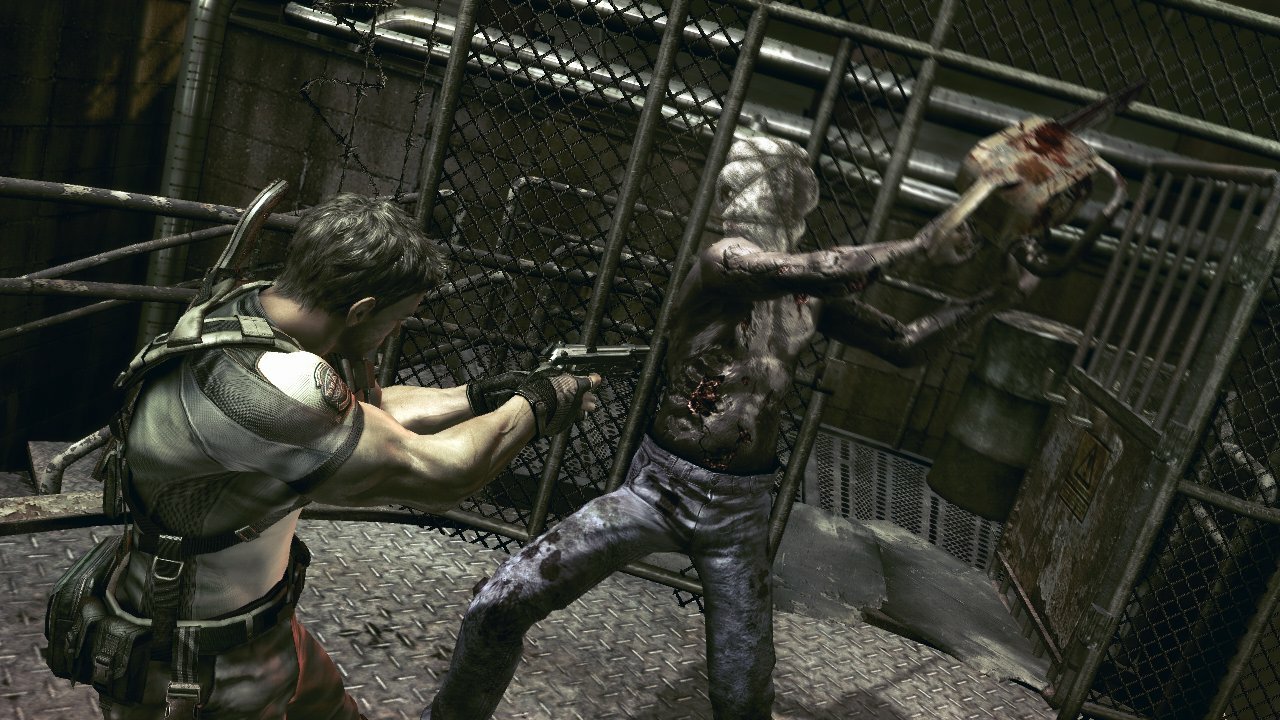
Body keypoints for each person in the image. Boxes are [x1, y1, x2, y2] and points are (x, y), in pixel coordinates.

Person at [421, 134, 1039, 720]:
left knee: (742, 694)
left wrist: (998, 297)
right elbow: (822, 269)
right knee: (500, 603)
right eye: (736, 184)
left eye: (761, 187)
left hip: (740, 511)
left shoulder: (809, 296)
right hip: (658, 489)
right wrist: (916, 246)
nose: (741, 198)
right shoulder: (724, 262)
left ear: (795, 207)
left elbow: (904, 345)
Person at [55, 193, 600, 719]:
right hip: (194, 667)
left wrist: (475, 398)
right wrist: (538, 404)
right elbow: (443, 472)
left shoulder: (247, 311)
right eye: (397, 318)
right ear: (362, 310)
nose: (395, 331)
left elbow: (357, 416)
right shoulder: (272, 383)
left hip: (261, 629)